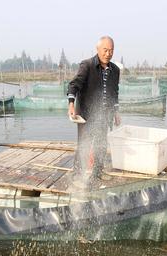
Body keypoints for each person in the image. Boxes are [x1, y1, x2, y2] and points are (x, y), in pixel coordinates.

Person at [67, 36, 121, 187]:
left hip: (104, 115)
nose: (108, 53)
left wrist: (116, 112)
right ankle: (77, 175)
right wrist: (71, 104)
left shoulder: (115, 70)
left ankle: (98, 172)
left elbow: (114, 93)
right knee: (84, 144)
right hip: (85, 115)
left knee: (101, 144)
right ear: (98, 49)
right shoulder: (87, 65)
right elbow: (74, 85)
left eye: (111, 50)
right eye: (105, 50)